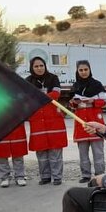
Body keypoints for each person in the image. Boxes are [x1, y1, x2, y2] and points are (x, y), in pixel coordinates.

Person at [25, 57, 68, 186]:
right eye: (36, 66)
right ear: (32, 68)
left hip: (53, 120)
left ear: (45, 66)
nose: (39, 68)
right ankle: (45, 177)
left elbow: (56, 94)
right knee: (41, 152)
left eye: (41, 65)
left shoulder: (53, 78)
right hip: (38, 120)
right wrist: (43, 97)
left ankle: (57, 177)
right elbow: (27, 98)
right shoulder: (28, 81)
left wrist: (38, 96)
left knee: (55, 152)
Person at [70, 60, 106, 183]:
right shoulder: (75, 86)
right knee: (83, 153)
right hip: (81, 122)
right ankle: (85, 175)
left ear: (90, 70)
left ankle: (100, 175)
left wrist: (92, 101)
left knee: (98, 152)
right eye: (81, 70)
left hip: (95, 121)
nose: (83, 72)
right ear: (77, 71)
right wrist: (74, 103)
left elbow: (104, 102)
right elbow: (70, 104)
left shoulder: (97, 85)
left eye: (86, 69)